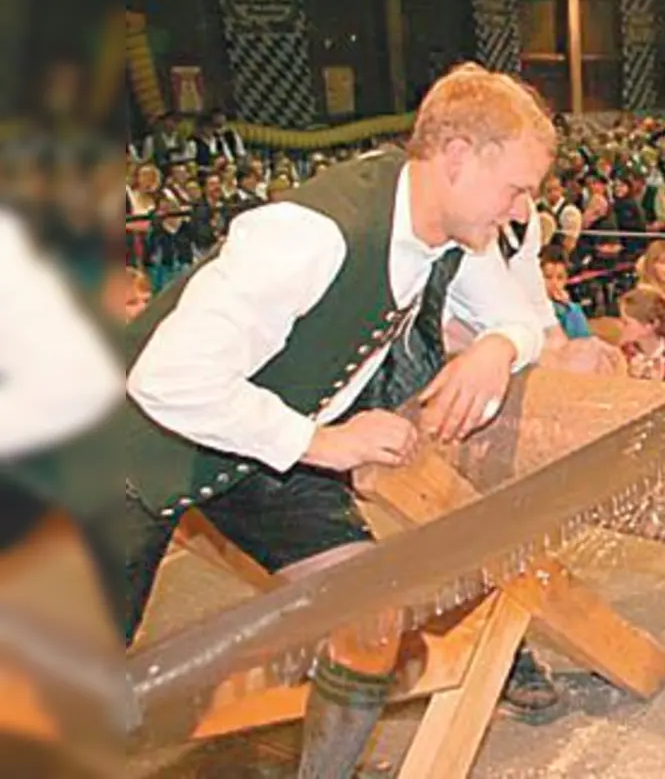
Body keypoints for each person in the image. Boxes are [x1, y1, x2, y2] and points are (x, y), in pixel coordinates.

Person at [118, 64, 566, 777]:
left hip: (259, 444)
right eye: (515, 189)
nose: (519, 214)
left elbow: (519, 318)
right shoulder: (310, 235)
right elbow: (167, 379)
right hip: (133, 455)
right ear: (457, 158)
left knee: (369, 613)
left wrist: (498, 348)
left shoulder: (453, 234)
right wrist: (323, 442)